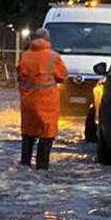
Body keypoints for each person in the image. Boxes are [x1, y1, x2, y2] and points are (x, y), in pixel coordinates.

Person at [17, 27, 68, 169]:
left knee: (28, 136)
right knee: (46, 136)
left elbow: (19, 75)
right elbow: (62, 76)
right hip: (47, 104)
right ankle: (41, 168)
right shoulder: (53, 56)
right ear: (48, 40)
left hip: (28, 103)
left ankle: (25, 165)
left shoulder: (25, 56)